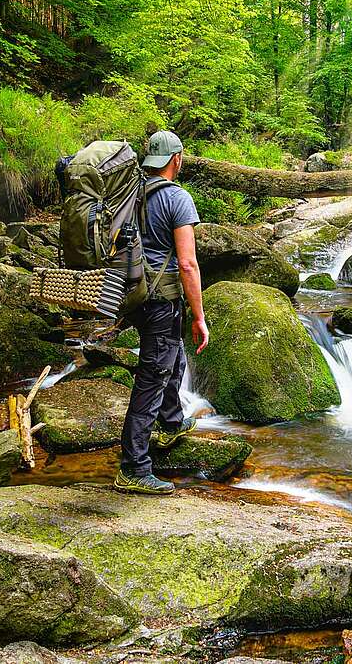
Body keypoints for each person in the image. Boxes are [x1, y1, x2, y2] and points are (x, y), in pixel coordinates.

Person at [113, 130, 209, 495]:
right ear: (177, 159)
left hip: (132, 293)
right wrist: (199, 317)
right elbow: (188, 264)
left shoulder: (130, 193)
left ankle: (170, 423)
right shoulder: (177, 199)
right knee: (152, 377)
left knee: (170, 356)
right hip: (161, 298)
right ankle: (133, 467)